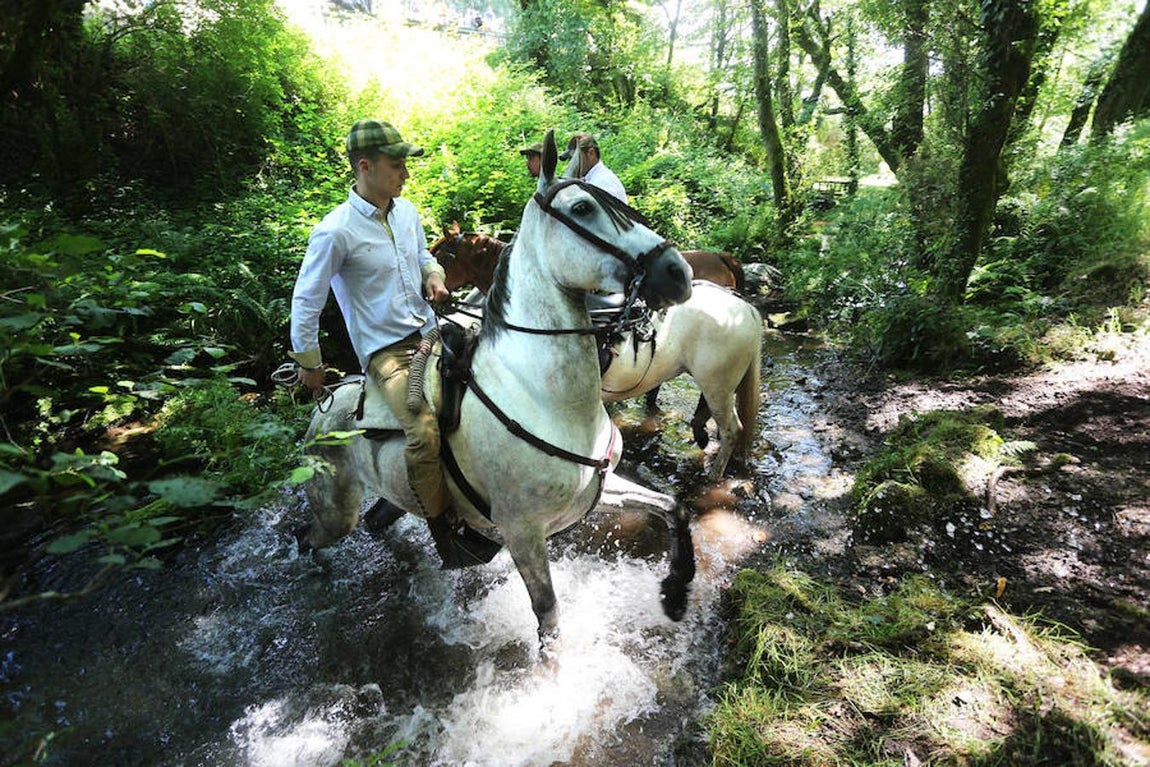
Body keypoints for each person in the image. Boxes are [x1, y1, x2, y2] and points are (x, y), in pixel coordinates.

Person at [289, 119, 453, 530]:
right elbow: (306, 301)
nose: (406, 174)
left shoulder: (408, 213)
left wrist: (434, 275)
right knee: (423, 431)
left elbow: (421, 258)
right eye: (397, 165)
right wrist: (310, 364)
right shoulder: (334, 232)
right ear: (365, 166)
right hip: (388, 352)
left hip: (434, 330)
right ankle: (446, 524)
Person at [559, 132, 628, 203]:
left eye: (574, 158)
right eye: (570, 160)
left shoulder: (602, 182)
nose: (572, 164)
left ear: (591, 153)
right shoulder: (593, 179)